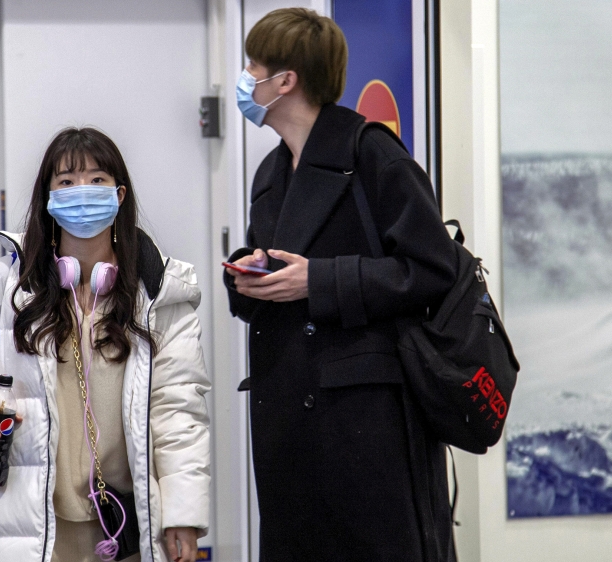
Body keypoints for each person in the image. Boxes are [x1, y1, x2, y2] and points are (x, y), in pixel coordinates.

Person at [224, 8, 459, 562]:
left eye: (252, 67)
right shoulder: (272, 172)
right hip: (290, 417)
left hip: (365, 424)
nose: (245, 78)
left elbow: (433, 269)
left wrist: (320, 281)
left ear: (285, 81)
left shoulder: (372, 153)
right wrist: (248, 274)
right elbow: (281, 270)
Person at [0, 127, 210, 562]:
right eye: (66, 182)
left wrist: (183, 514)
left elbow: (179, 411)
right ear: (47, 198)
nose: (82, 192)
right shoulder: (7, 285)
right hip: (28, 527)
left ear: (119, 195)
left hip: (124, 524)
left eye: (97, 180)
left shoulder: (161, 294)